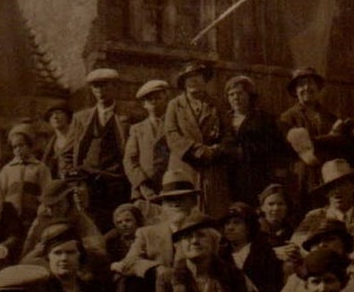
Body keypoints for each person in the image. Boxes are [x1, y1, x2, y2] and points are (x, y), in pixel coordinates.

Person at [278, 65, 354, 209]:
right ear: (295, 91)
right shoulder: (288, 118)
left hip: (328, 173)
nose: (306, 88)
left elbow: (341, 144)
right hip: (302, 174)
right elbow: (301, 145)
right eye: (301, 85)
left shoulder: (329, 116)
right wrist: (332, 136)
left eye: (310, 83)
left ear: (318, 88)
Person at [66, 67, 133, 230]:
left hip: (118, 181)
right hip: (89, 182)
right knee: (91, 225)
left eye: (105, 86)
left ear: (115, 87)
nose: (100, 91)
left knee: (119, 224)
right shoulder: (81, 118)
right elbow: (67, 152)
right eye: (96, 87)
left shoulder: (129, 115)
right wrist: (72, 175)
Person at [164, 59, 232, 216]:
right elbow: (172, 134)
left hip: (211, 166)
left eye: (198, 76)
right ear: (184, 82)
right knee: (184, 211)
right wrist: (197, 149)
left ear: (205, 79)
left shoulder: (216, 104)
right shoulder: (174, 105)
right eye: (189, 77)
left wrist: (217, 150)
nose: (194, 80)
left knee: (213, 211)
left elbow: (228, 134)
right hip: (185, 165)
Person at [223, 74, 290, 208]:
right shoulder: (223, 119)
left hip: (257, 172)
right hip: (231, 174)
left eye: (240, 93)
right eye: (231, 94)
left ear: (250, 95)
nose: (236, 98)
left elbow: (276, 147)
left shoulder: (264, 119)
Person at [123, 78, 172, 209]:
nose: (154, 102)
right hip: (144, 192)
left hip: (170, 188)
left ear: (166, 99)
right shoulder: (137, 129)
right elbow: (130, 160)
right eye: (150, 100)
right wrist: (143, 185)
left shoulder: (174, 124)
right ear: (144, 104)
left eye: (158, 98)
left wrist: (172, 184)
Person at [0, 122, 49, 223]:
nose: (18, 150)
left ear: (30, 145)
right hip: (11, 216)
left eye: (21, 145)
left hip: (34, 214)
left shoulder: (40, 167)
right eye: (15, 147)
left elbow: (47, 191)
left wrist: (42, 208)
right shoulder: (7, 169)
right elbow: (0, 193)